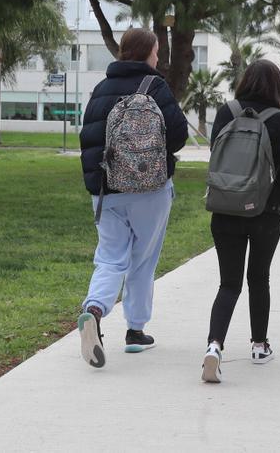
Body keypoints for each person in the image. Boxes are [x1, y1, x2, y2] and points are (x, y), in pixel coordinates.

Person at [76, 28, 189, 368]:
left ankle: (94, 309)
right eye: (156, 52)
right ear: (147, 53)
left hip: (107, 190)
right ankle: (135, 332)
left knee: (110, 258)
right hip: (150, 190)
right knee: (143, 259)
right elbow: (179, 135)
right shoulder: (156, 87)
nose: (158, 58)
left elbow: (89, 138)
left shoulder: (101, 89)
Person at [201, 60, 280, 384]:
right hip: (266, 213)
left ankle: (214, 347)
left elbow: (217, 152)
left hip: (225, 208)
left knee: (228, 283)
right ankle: (259, 346)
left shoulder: (226, 112)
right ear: (277, 86)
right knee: (259, 278)